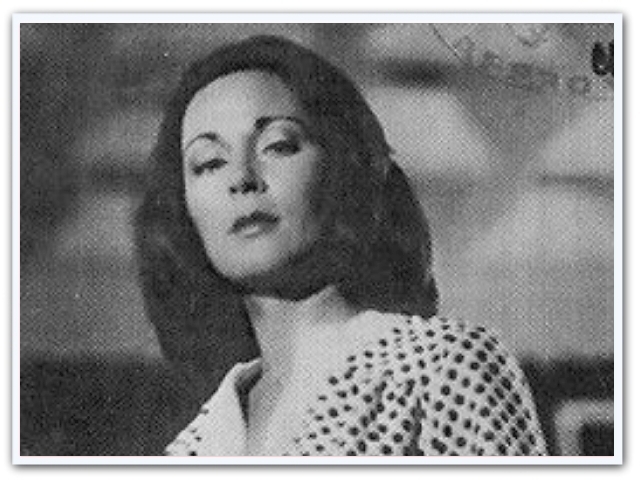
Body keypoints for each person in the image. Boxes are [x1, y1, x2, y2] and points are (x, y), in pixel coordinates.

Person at [135, 35, 546, 457]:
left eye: (277, 145)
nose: (241, 178)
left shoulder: (440, 366)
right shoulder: (192, 447)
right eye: (209, 163)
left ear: (346, 168)